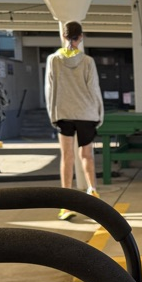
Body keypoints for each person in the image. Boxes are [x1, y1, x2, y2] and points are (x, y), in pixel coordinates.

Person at [45, 21, 104, 220]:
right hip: (86, 113)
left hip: (64, 113)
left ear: (63, 36)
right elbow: (94, 89)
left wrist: (53, 115)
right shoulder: (87, 61)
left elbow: (50, 90)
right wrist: (98, 114)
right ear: (81, 37)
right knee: (86, 154)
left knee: (67, 156)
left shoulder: (54, 59)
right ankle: (92, 189)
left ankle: (66, 203)